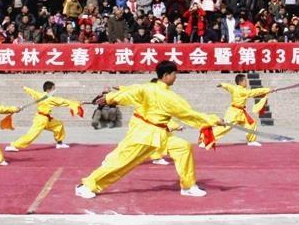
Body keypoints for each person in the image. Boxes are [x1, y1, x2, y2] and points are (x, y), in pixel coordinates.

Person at [76, 61, 225, 199]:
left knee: (183, 147)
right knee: (121, 163)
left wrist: (110, 97)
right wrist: (213, 120)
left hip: (159, 134)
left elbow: (130, 92)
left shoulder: (148, 88)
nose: (176, 77)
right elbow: (188, 114)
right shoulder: (166, 95)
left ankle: (188, 186)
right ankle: (86, 185)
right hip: (143, 135)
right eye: (174, 74)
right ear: (166, 75)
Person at [6, 81, 82, 151]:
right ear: (49, 90)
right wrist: (77, 103)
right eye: (54, 89)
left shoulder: (40, 95)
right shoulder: (52, 99)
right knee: (32, 134)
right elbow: (65, 101)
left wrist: (24, 87)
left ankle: (60, 143)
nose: (55, 90)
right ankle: (13, 145)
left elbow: (32, 92)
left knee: (59, 125)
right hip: (41, 120)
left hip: (46, 119)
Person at [212, 74, 271, 146]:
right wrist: (267, 90)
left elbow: (227, 86)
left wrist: (222, 84)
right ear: (241, 82)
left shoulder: (234, 88)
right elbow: (254, 92)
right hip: (233, 113)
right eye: (245, 80)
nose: (246, 82)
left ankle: (251, 141)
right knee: (225, 127)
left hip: (241, 112)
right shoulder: (242, 91)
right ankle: (206, 139)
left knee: (251, 123)